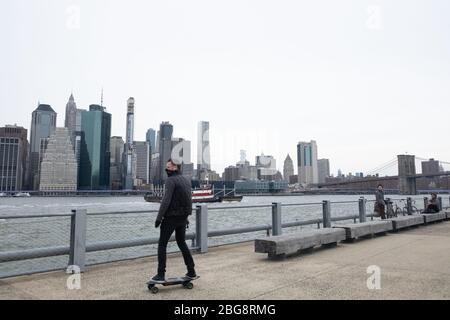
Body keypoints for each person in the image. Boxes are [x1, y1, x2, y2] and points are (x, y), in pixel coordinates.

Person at [151, 159, 196, 283]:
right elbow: (188, 199)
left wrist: (159, 218)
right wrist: (186, 218)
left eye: (169, 167)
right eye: (166, 166)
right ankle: (191, 270)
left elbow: (166, 200)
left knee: (162, 244)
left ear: (176, 167)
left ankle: (160, 274)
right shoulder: (186, 179)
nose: (167, 169)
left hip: (171, 218)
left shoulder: (170, 180)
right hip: (182, 218)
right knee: (181, 243)